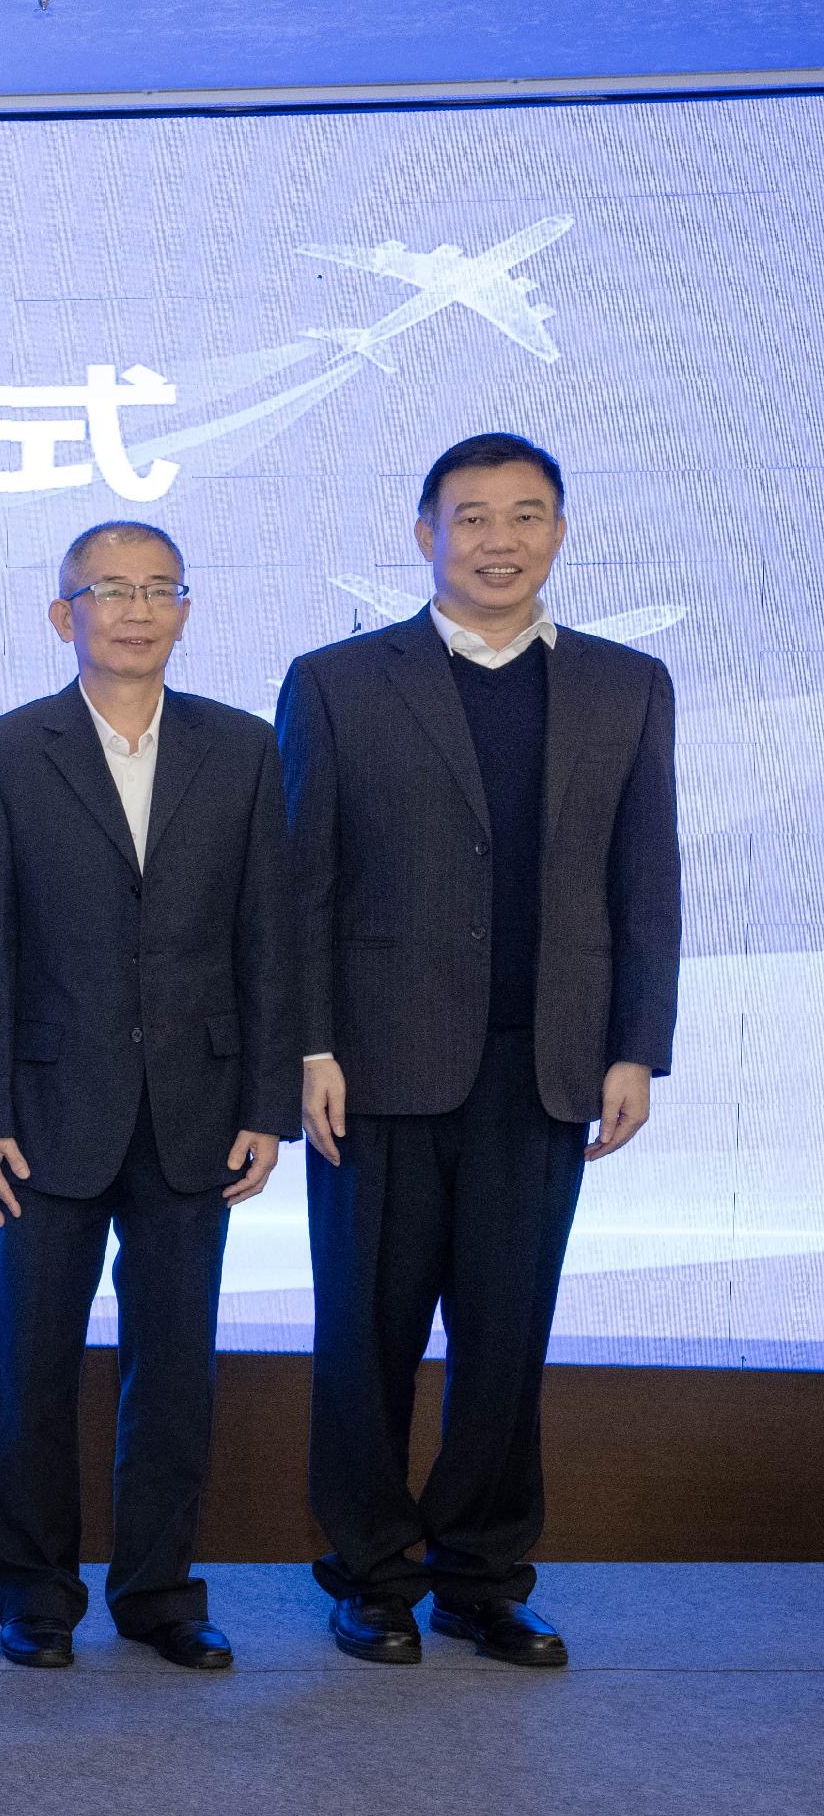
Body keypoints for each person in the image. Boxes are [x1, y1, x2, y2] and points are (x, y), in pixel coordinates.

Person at [279, 433, 678, 1669]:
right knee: (367, 1333)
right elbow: (300, 883)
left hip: (546, 1066)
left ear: (558, 532)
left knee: (507, 1336)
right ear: (423, 535)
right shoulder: (340, 679)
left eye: (524, 516)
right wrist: (310, 1043)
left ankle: (484, 1577)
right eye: (470, 518)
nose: (497, 540)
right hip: (376, 1068)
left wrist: (634, 1048)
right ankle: (371, 1576)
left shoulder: (627, 684)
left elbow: (644, 881)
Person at [0, 523, 292, 1674]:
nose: (134, 610)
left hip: (197, 1105)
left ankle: (158, 1592)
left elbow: (265, 940)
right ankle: (32, 1597)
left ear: (185, 611)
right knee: (31, 1363)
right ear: (63, 616)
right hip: (42, 1114)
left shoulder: (241, 750)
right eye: (107, 591)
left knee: (174, 1364)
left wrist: (265, 1099)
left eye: (158, 590)